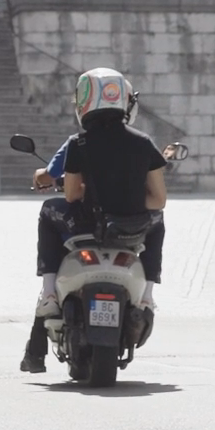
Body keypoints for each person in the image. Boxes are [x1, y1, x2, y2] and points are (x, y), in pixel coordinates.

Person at [22, 67, 170, 373]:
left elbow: (71, 195)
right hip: (131, 229)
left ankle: (49, 293)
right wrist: (129, 199)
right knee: (158, 220)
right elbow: (158, 199)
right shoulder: (144, 143)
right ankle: (146, 296)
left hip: (86, 225)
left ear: (83, 103)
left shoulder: (79, 143)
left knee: (49, 211)